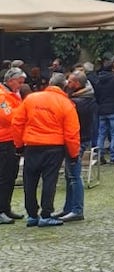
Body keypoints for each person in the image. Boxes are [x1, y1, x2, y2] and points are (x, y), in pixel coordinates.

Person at [11, 70, 80, 227]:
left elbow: (17, 122)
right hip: (54, 147)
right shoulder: (66, 104)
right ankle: (46, 214)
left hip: (32, 145)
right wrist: (73, 154)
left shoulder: (31, 99)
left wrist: (19, 145)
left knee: (30, 181)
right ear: (64, 87)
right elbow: (72, 132)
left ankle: (31, 215)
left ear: (49, 84)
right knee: (49, 181)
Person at [56, 69, 96, 222]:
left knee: (74, 175)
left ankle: (77, 209)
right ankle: (69, 208)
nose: (68, 83)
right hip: (79, 138)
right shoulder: (83, 97)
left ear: (78, 84)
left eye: (71, 81)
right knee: (70, 175)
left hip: (78, 139)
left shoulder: (80, 102)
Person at [0, 66, 25, 222]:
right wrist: (24, 113)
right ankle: (1, 210)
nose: (21, 85)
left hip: (12, 140)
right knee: (3, 177)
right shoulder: (3, 96)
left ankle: (6, 208)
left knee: (10, 176)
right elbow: (8, 116)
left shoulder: (13, 94)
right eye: (19, 82)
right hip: (3, 141)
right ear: (10, 80)